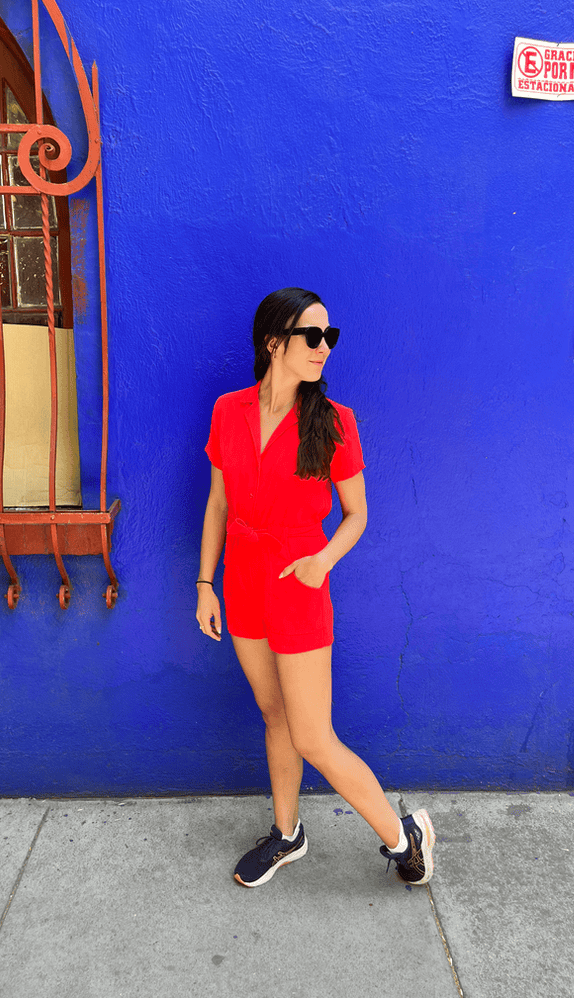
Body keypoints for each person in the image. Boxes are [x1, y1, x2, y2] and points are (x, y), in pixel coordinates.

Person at [196, 287, 435, 888]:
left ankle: (405, 838)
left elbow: (356, 513)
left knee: (313, 735)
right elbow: (218, 503)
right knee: (273, 713)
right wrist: (206, 583)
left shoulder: (331, 422)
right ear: (273, 341)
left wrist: (321, 560)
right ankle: (287, 834)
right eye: (312, 335)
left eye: (330, 336)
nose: (324, 348)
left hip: (298, 583)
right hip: (243, 581)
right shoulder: (229, 411)